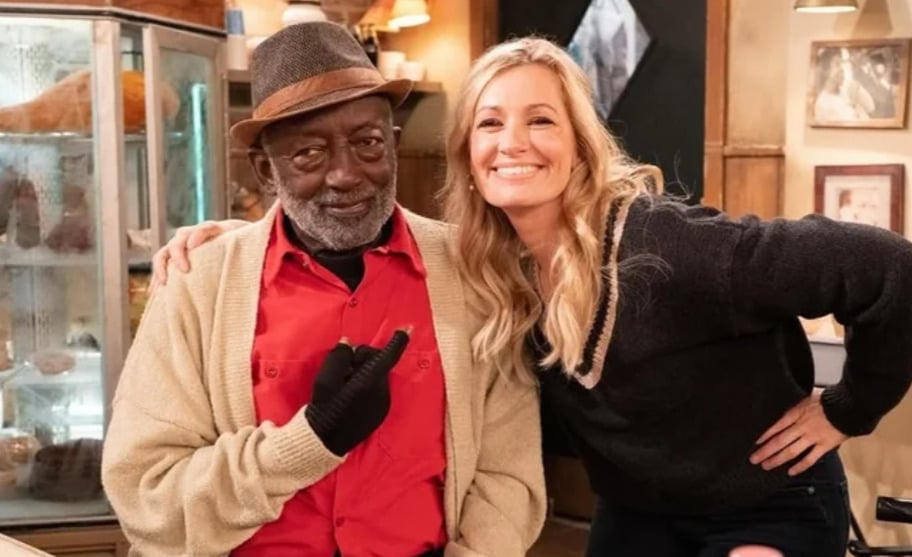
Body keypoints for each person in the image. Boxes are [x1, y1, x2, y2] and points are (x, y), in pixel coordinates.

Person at [154, 36, 912, 557]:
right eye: (491, 122)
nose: (513, 141)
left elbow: (888, 269)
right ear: (470, 155)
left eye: (540, 119)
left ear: (580, 140)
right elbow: (332, 209)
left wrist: (849, 407)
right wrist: (243, 235)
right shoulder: (487, 267)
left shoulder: (672, 246)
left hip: (765, 500)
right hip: (639, 516)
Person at [101, 22, 546, 557]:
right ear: (267, 171)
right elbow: (147, 496)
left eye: (368, 144)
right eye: (309, 154)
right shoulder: (199, 285)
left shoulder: (473, 272)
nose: (345, 175)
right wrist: (310, 441)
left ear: (394, 146)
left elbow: (508, 476)